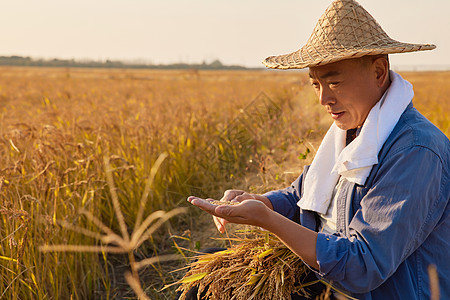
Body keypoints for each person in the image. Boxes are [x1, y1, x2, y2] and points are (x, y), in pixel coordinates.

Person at [187, 0, 449, 299]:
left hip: (379, 291)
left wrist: (268, 221)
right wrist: (261, 203)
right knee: (208, 271)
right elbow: (304, 194)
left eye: (334, 82)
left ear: (379, 72)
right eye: (315, 84)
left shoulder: (415, 151)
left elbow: (362, 267)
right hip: (331, 278)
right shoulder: (355, 132)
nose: (323, 99)